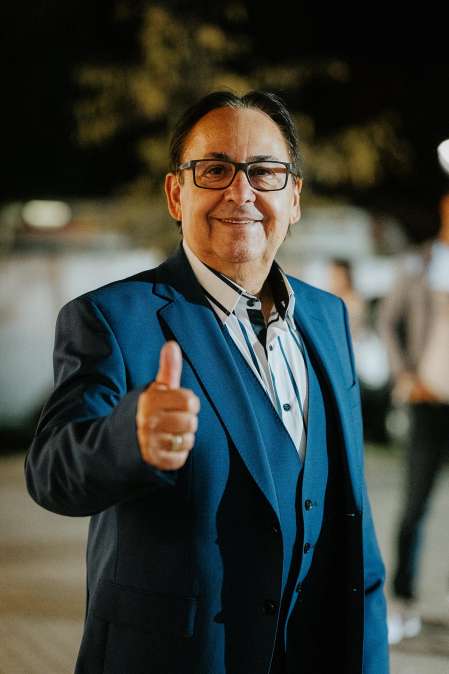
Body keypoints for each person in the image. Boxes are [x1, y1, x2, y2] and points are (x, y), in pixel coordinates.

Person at [25, 91, 388, 674]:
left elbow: (353, 517)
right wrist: (128, 438)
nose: (240, 192)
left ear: (293, 198)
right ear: (177, 194)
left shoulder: (328, 317)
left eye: (264, 172)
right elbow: (49, 474)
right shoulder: (113, 318)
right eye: (215, 170)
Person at [378, 185, 449, 645]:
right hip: (428, 402)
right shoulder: (419, 264)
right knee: (414, 505)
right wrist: (405, 375)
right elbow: (388, 321)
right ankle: (402, 600)